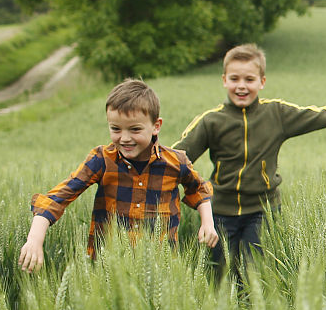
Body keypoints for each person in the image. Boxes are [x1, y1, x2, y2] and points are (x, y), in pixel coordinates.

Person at [174, 43, 326, 278]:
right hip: (220, 212)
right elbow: (178, 157)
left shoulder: (277, 114)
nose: (241, 86)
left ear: (262, 82)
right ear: (224, 80)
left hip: (263, 211)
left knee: (256, 275)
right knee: (220, 277)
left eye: (249, 79)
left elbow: (323, 116)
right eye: (234, 79)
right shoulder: (211, 121)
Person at [19, 79, 218, 272]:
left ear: (156, 125)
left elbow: (199, 189)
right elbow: (56, 199)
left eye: (135, 129)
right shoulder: (102, 160)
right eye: (115, 129)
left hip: (160, 268)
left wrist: (207, 223)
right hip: (108, 267)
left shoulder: (176, 162)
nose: (124, 138)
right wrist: (34, 240)